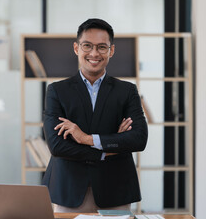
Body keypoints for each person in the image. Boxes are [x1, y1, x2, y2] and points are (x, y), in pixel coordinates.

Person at [42, 18, 148, 213]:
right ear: (76, 48)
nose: (94, 53)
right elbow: (57, 146)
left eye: (101, 47)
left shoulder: (127, 91)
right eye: (87, 46)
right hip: (69, 189)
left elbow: (138, 139)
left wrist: (85, 138)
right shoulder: (57, 91)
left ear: (111, 51)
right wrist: (108, 148)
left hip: (116, 189)